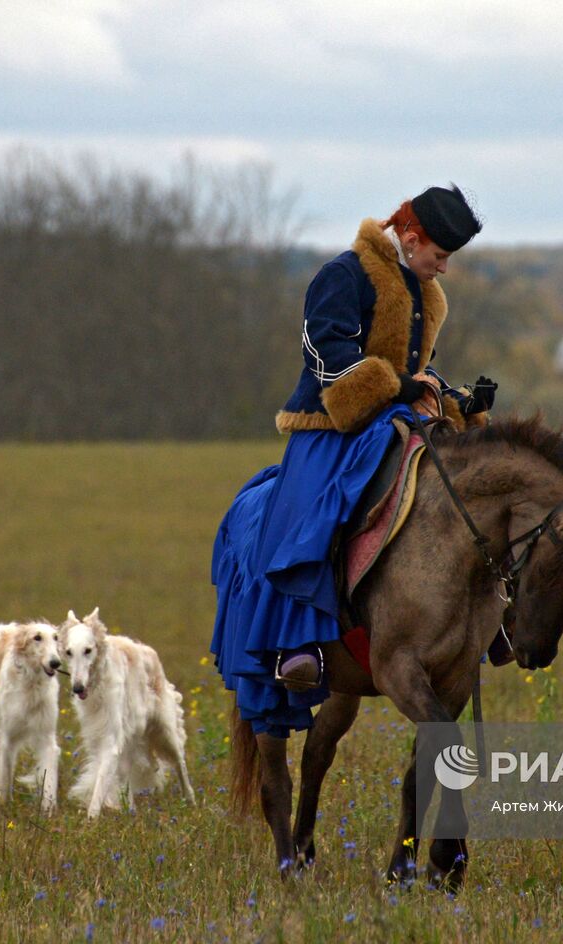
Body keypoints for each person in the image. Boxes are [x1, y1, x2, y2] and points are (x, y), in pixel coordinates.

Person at [210, 185, 495, 736]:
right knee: (312, 517)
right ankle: (293, 645)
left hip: (397, 424)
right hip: (330, 428)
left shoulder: (428, 294)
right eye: (439, 256)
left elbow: (417, 372)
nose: (444, 269)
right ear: (410, 239)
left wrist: (455, 399)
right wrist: (397, 386)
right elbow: (326, 355)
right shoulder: (342, 275)